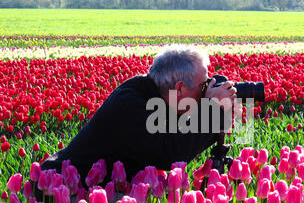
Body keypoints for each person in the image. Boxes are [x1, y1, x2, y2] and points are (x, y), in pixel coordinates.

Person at [40, 45, 238, 187]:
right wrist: (211, 108)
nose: (207, 91)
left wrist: (216, 113)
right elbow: (171, 153)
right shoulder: (131, 105)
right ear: (179, 88)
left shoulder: (156, 93)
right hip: (62, 189)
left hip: (94, 186)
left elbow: (181, 135)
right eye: (204, 86)